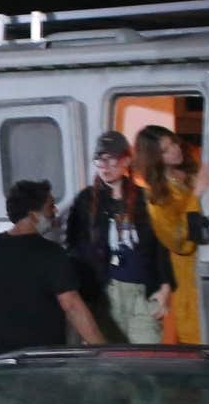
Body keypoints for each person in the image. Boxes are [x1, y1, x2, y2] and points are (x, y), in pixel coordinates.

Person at [0, 178, 107, 364]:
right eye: (50, 207)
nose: (55, 212)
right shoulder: (52, 254)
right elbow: (73, 306)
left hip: (1, 360)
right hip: (44, 361)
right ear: (33, 215)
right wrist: (102, 349)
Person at [64, 129, 175, 344]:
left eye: (111, 159)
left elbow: (161, 245)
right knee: (109, 361)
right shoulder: (86, 200)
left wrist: (165, 287)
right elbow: (74, 246)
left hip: (142, 293)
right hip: (104, 294)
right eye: (99, 160)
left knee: (145, 359)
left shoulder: (145, 198)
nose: (105, 166)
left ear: (126, 160)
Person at [136, 125, 207, 345]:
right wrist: (196, 196)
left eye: (173, 143)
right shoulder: (157, 196)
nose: (175, 150)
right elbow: (177, 241)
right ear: (155, 158)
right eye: (166, 150)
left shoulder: (192, 168)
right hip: (187, 274)